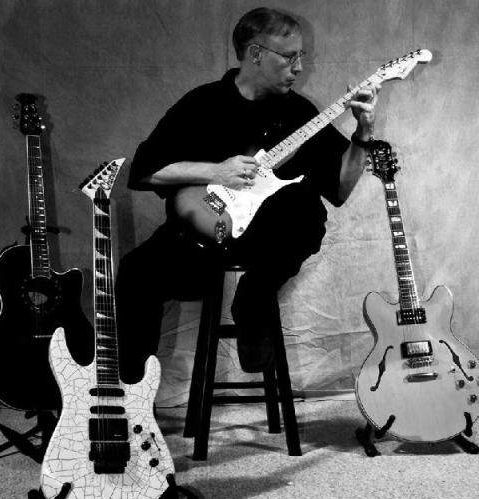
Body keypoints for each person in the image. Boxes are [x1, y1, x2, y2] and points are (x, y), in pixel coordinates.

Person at [115, 7, 379, 383]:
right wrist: (215, 172)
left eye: (302, 56)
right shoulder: (202, 103)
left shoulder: (299, 112)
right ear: (255, 53)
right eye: (289, 56)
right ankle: (133, 396)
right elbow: (144, 171)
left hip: (266, 246)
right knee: (136, 271)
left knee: (303, 207)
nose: (299, 67)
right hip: (201, 239)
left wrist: (363, 133)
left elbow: (338, 189)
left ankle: (253, 299)